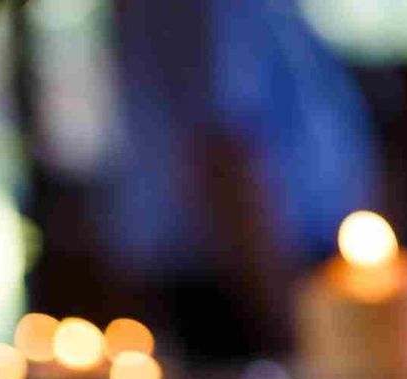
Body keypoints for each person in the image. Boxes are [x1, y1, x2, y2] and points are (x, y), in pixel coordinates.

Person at [105, 0, 379, 360]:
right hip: (241, 280)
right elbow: (223, 149)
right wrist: (280, 319)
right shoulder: (214, 10)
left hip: (290, 270)